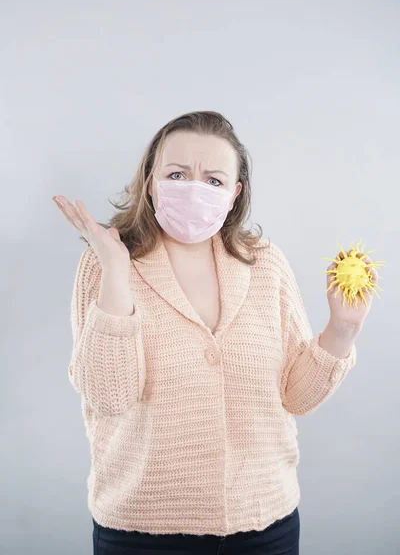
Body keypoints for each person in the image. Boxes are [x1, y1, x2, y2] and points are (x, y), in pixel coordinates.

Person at [53, 111, 376, 555]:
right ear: (151, 182)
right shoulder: (105, 263)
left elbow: (296, 398)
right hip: (143, 532)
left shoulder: (265, 264)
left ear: (234, 193)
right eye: (177, 174)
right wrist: (115, 272)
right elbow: (109, 395)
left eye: (213, 180)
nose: (193, 188)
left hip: (266, 526)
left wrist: (343, 328)